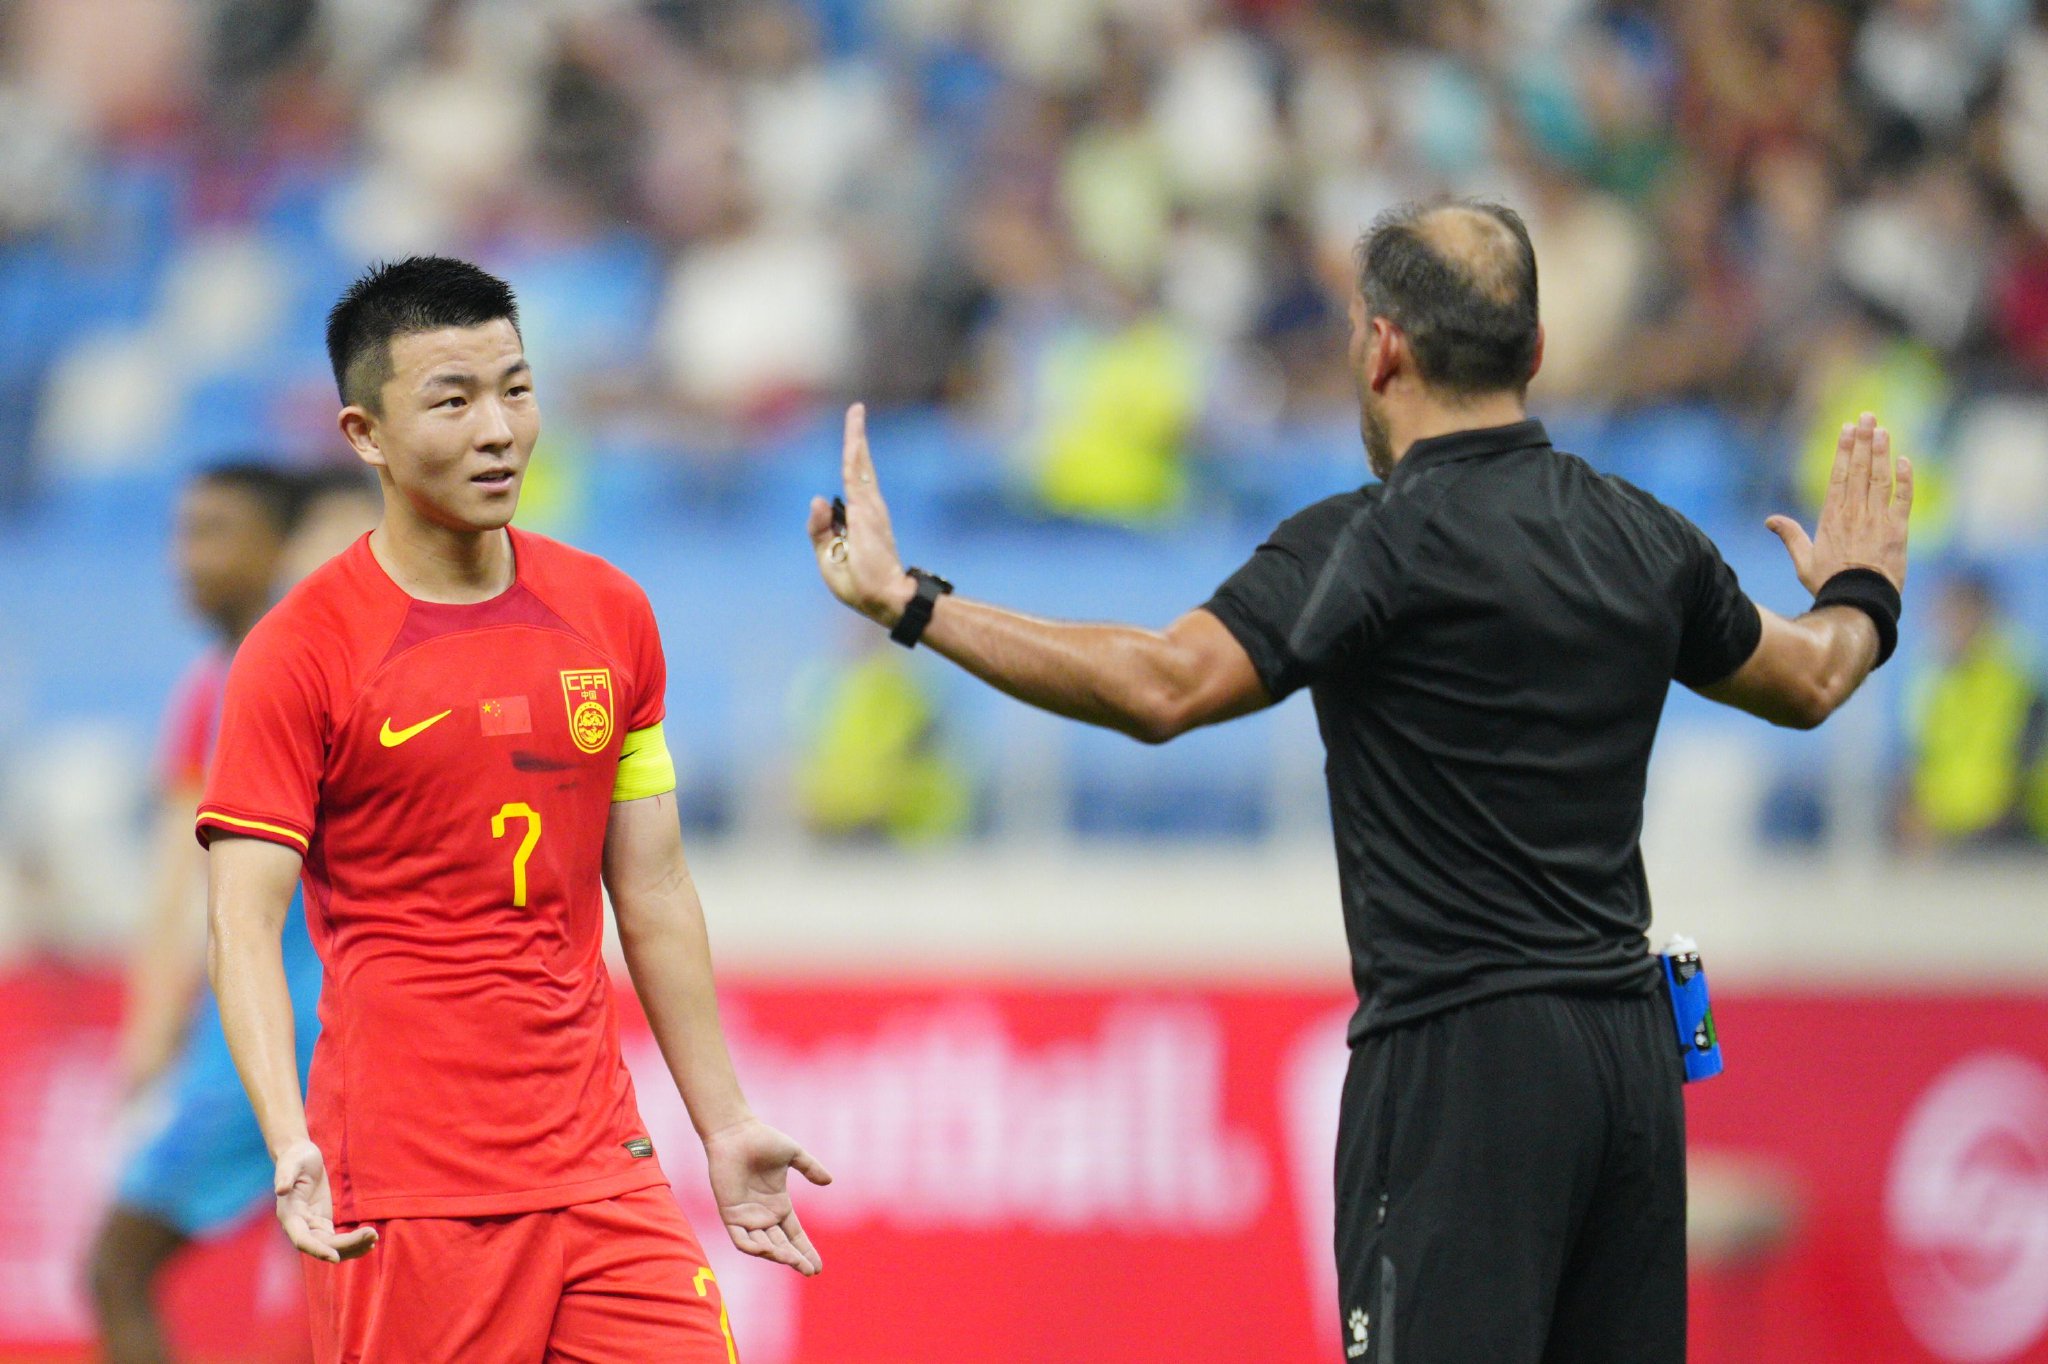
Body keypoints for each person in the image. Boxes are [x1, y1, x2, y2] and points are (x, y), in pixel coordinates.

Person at [809, 199, 1913, 1361]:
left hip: (1457, 1063)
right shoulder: (1640, 531)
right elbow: (1809, 678)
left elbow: (1161, 686)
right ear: (1530, 352)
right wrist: (1861, 597)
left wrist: (913, 602)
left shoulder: (1373, 538)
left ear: (1382, 346)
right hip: (1626, 1065)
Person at [200, 256, 828, 1362]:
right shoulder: (299, 653)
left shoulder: (609, 613)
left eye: (516, 388)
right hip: (408, 1183)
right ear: (366, 434)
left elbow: (653, 885)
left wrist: (722, 1119)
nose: (498, 428)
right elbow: (241, 920)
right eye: (452, 398)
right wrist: (285, 1133)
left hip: (599, 1164)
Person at [88, 462, 319, 1364]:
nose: (188, 559)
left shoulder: (264, 681)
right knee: (322, 1298)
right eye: (184, 533)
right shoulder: (239, 680)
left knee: (117, 1265)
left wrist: (151, 1037)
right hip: (311, 1033)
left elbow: (184, 892)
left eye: (216, 532)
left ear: (280, 548)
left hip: (259, 1039)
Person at [1900, 569, 2048, 847]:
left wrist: (2007, 813)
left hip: (2012, 830)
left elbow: (2031, 754)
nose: (1947, 625)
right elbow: (1921, 756)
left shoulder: (2016, 670)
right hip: (1950, 831)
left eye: (1957, 614)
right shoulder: (1932, 678)